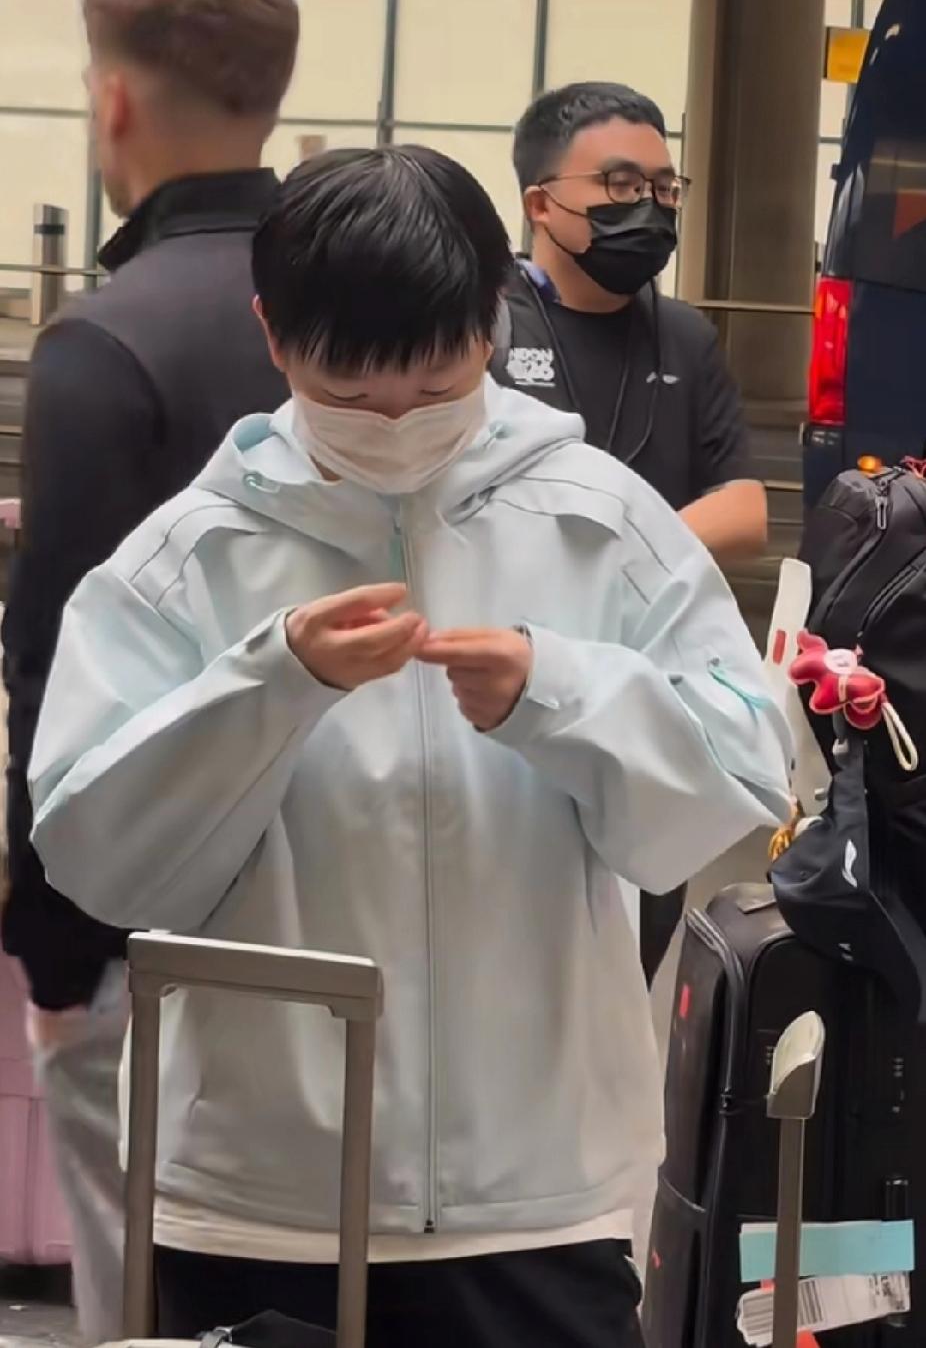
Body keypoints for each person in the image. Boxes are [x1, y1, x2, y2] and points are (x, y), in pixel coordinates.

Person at [30, 145, 791, 1348]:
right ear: (272, 334)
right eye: (348, 388)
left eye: (432, 384)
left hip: (537, 1198)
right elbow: (94, 851)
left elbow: (738, 779)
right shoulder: (190, 557)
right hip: (253, 1202)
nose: (392, 424)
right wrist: (267, 684)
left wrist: (559, 692)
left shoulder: (601, 523)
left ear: (490, 324)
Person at [2, 0, 298, 1343]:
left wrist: (55, 951)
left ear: (112, 99)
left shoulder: (107, 342)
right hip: (351, 917)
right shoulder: (378, 318)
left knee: (148, 1307)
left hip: (147, 933)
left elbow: (56, 668)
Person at [495, 80, 768, 984]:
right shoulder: (482, 324)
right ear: (542, 202)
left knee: (628, 957)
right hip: (507, 697)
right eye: (618, 185)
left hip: (648, 704)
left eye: (662, 187)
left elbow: (746, 509)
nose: (647, 207)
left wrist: (616, 546)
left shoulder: (683, 337)